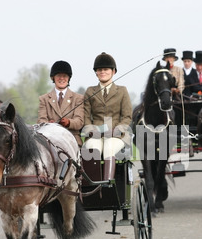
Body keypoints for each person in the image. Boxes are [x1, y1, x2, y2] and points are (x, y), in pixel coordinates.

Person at [82, 52, 132, 181]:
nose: (102, 72)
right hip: (96, 134)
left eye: (106, 69)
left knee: (109, 147)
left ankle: (107, 183)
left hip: (117, 135)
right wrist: (90, 130)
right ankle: (94, 185)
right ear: (96, 72)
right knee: (92, 149)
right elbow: (86, 115)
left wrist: (117, 130)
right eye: (99, 70)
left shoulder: (122, 91)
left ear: (113, 71)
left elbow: (127, 116)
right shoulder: (90, 91)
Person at [37, 60, 84, 147]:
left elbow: (79, 121)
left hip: (72, 140)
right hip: (51, 140)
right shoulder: (44, 99)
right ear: (53, 78)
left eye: (65, 76)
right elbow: (41, 120)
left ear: (69, 78)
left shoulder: (78, 98)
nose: (61, 78)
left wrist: (69, 122)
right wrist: (48, 125)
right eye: (58, 75)